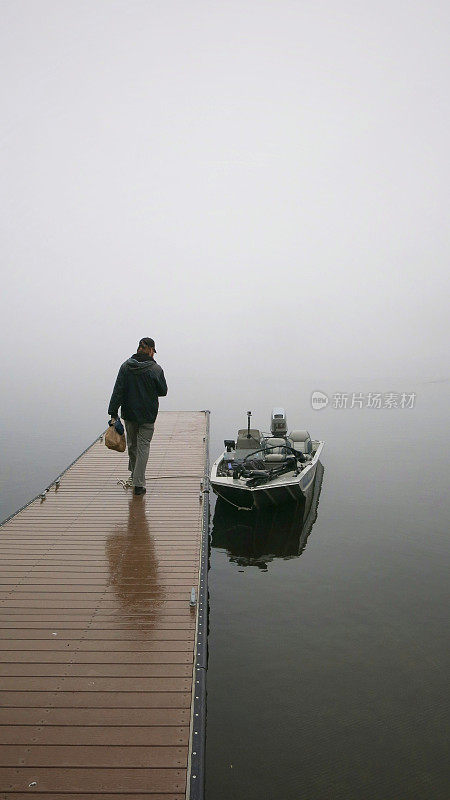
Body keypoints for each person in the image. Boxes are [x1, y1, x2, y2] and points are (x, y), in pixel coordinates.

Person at [108, 337, 168, 496]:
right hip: (147, 415)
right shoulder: (155, 369)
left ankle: (135, 477)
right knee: (143, 447)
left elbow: (118, 390)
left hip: (129, 413)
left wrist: (113, 412)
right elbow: (163, 391)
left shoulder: (126, 366)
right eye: (153, 351)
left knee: (133, 446)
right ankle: (138, 484)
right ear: (150, 350)